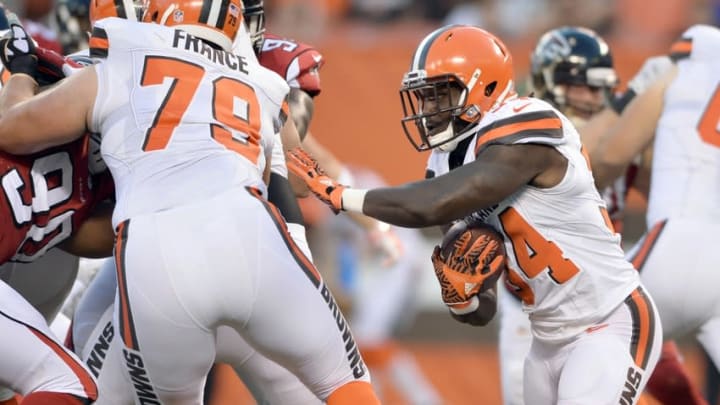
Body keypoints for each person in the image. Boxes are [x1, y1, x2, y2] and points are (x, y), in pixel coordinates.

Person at [0, 2, 380, 404]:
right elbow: (289, 171)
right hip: (253, 237)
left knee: (71, 382)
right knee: (345, 382)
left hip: (151, 253)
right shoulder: (264, 82)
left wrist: (22, 70)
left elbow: (13, 128)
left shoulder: (116, 64)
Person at [289, 24, 663, 405]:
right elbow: (482, 310)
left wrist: (337, 193)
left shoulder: (529, 122)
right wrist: (463, 297)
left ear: (484, 87)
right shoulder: (442, 163)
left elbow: (433, 202)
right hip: (546, 339)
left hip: (609, 320)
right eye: (424, 98)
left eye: (441, 94)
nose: (429, 109)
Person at [495, 26, 708, 405]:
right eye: (582, 85)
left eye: (600, 87)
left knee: (677, 389)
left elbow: (662, 189)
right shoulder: (527, 136)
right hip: (538, 318)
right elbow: (588, 156)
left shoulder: (616, 135)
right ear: (549, 80)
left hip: (605, 303)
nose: (593, 96)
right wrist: (629, 101)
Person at [589, 23, 720, 400]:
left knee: (578, 341)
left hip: (676, 245)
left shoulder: (678, 73)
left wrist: (631, 98)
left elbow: (606, 160)